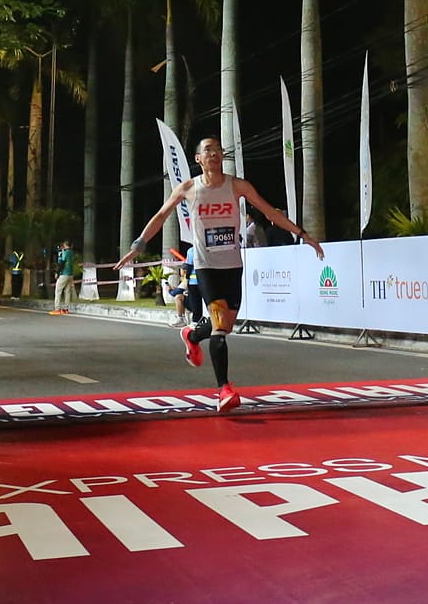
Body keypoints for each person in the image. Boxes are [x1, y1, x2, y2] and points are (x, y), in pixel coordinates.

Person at [116, 136, 323, 413]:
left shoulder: (237, 186)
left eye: (217, 150)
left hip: (233, 266)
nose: (213, 154)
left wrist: (303, 234)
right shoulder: (188, 188)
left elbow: (268, 211)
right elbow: (161, 216)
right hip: (206, 267)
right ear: (198, 159)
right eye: (208, 150)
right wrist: (137, 246)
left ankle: (192, 336)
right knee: (219, 327)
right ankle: (224, 389)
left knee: (225, 324)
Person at [50, 239, 80, 314]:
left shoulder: (65, 253)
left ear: (65, 245)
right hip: (70, 274)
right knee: (67, 291)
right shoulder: (72, 253)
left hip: (64, 274)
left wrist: (57, 272)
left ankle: (57, 309)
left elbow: (62, 263)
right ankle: (66, 309)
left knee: (58, 290)